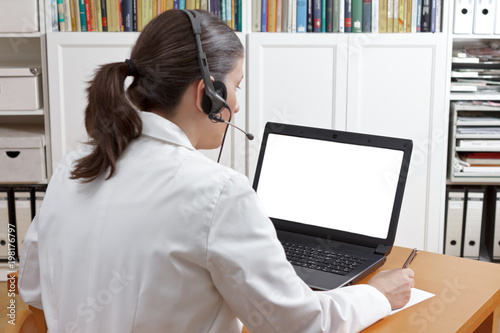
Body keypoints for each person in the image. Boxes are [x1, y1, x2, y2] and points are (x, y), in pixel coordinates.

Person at [19, 9, 414, 333]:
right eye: (235, 86)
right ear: (206, 93)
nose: (236, 106)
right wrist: (377, 295)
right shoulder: (217, 192)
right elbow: (301, 323)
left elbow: (30, 290)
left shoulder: (73, 168)